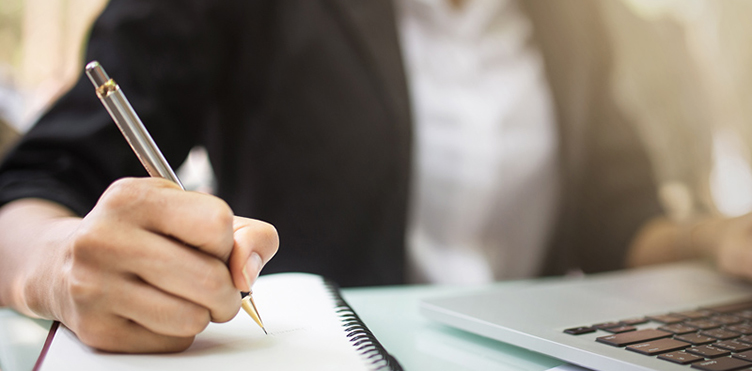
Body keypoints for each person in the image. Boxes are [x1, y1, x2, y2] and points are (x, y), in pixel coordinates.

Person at [0, 0, 749, 354]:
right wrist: (55, 265)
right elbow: (31, 188)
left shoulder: (577, 23)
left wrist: (718, 236)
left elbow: (619, 221)